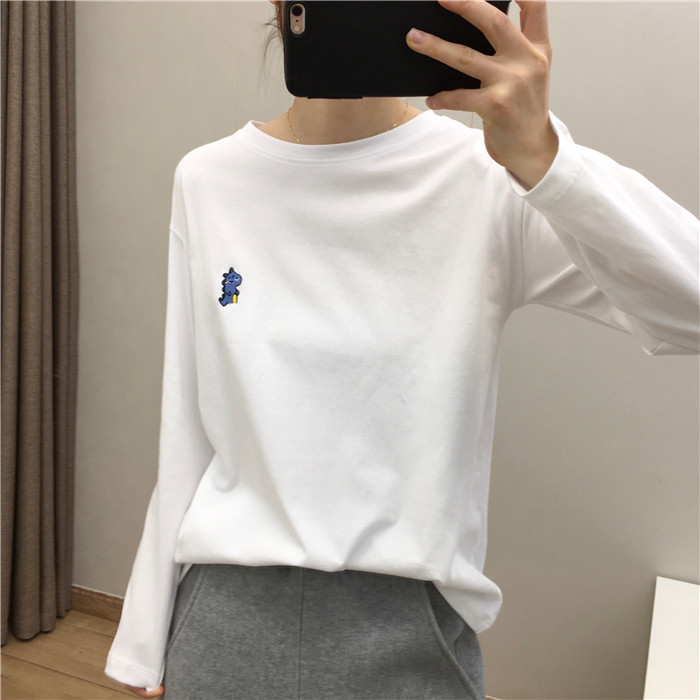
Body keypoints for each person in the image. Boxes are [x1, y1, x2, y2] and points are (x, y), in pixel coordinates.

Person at [104, 1, 699, 698]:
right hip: (224, 625)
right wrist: (146, 638)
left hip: (410, 639)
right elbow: (190, 420)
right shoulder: (209, 179)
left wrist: (546, 158)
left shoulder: (489, 174)